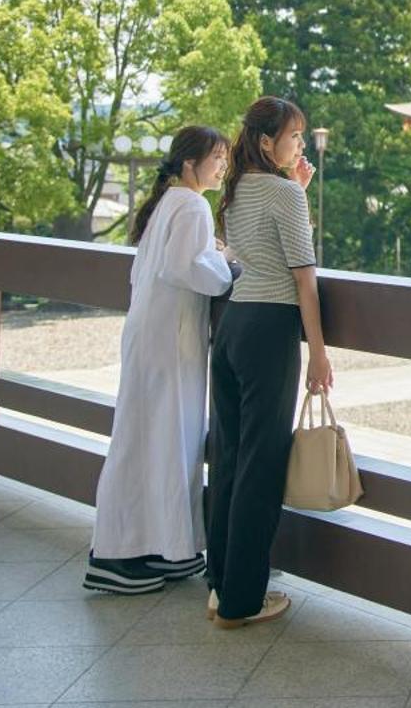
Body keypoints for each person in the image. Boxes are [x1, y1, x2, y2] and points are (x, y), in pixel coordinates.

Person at [84, 126, 236, 596]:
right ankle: (120, 552)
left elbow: (170, 263)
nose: (221, 167)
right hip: (169, 340)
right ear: (189, 162)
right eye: (215, 158)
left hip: (153, 333)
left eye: (224, 159)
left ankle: (161, 547)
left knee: (150, 437)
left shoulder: (170, 202)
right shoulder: (192, 205)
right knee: (161, 439)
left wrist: (214, 258)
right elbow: (187, 267)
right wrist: (229, 268)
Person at [206, 97, 333, 629]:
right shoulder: (285, 195)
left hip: (232, 326)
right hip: (269, 331)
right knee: (262, 464)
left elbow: (254, 246)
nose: (300, 145)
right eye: (293, 136)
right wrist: (319, 352)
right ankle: (243, 602)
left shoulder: (237, 191)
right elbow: (304, 280)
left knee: (232, 456)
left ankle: (221, 586)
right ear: (267, 142)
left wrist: (294, 190)